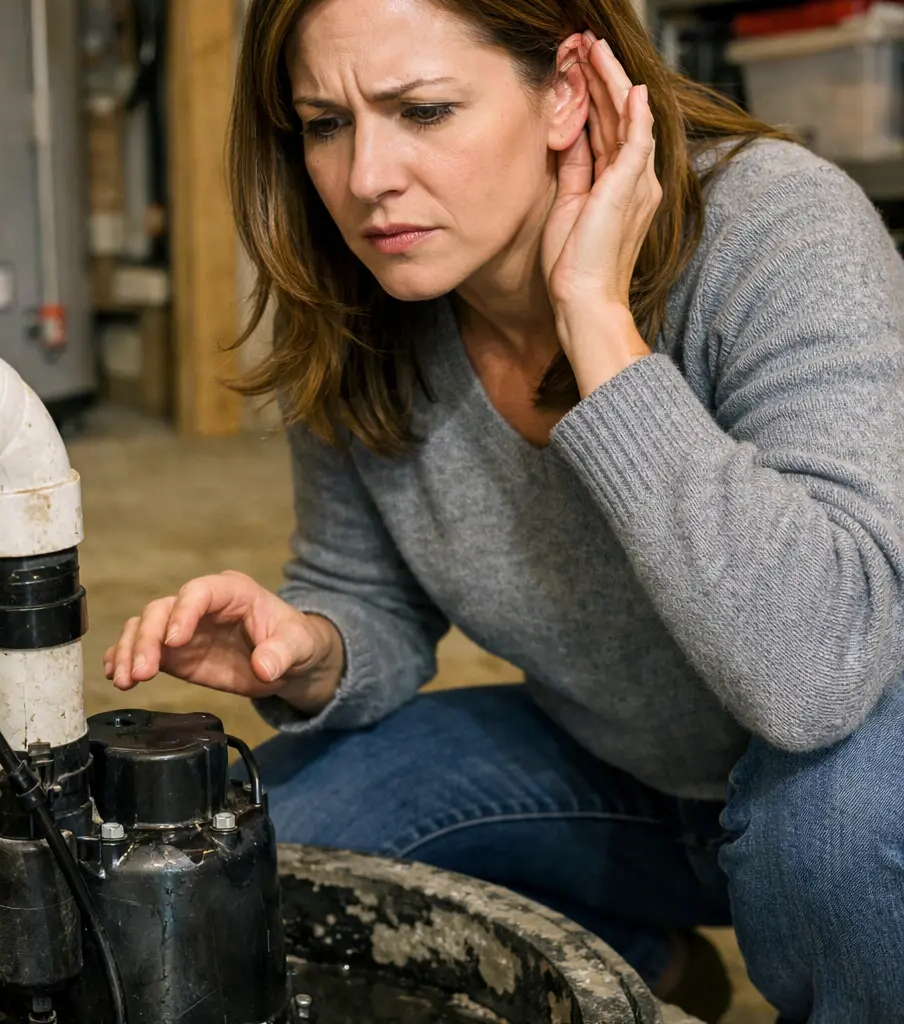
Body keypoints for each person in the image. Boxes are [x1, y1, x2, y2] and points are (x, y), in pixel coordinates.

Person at [104, 0, 904, 1019]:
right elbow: (368, 592)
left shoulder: (778, 230)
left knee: (836, 829)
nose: (365, 180)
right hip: (620, 770)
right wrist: (309, 646)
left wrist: (597, 321)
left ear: (566, 90)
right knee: (271, 837)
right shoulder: (372, 301)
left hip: (850, 761)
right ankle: (630, 962)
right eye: (325, 122)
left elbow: (816, 674)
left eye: (424, 110)